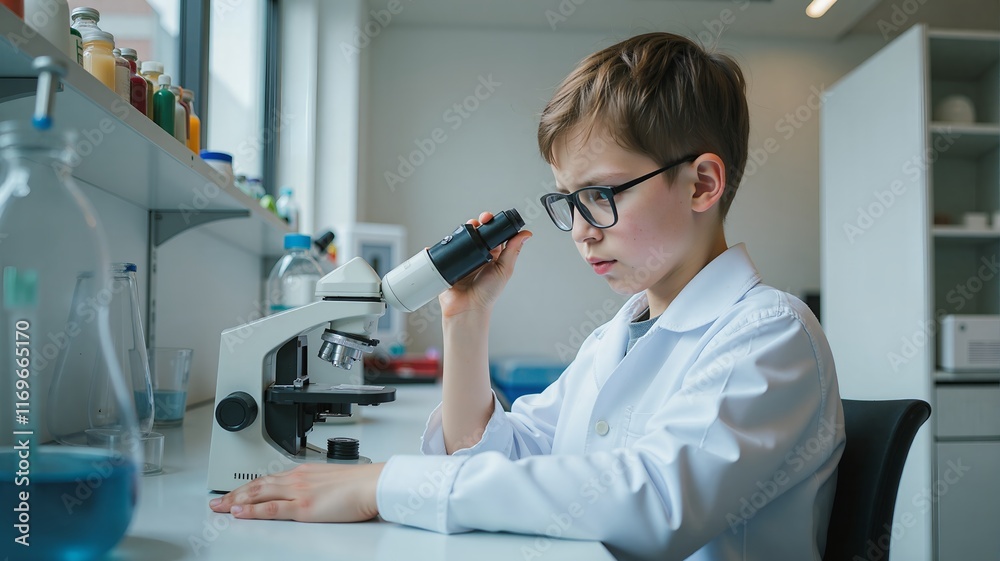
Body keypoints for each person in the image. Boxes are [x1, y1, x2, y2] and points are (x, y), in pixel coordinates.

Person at [209, 32, 845, 561]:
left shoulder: (768, 334)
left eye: (601, 195)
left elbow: (655, 502)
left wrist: (383, 486)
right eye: (569, 201)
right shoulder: (615, 339)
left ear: (702, 183)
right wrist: (466, 320)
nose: (582, 231)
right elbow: (498, 456)